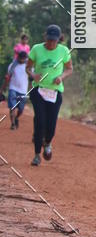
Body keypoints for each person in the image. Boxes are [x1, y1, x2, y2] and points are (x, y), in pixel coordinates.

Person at [27, 25, 73, 166]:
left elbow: (69, 68)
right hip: (39, 90)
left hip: (55, 92)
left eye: (54, 40)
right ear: (45, 37)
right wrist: (33, 75)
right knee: (40, 120)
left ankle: (47, 143)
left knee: (51, 125)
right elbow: (27, 68)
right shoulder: (36, 49)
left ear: (59, 39)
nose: (51, 43)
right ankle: (36, 155)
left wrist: (62, 76)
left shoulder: (64, 51)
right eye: (49, 40)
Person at [3, 50, 29, 129]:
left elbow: (32, 78)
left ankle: (16, 117)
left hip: (23, 90)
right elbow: (8, 77)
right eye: (20, 58)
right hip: (13, 88)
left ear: (25, 58)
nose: (21, 60)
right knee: (12, 106)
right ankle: (13, 124)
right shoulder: (12, 65)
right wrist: (3, 88)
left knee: (21, 109)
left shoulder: (28, 66)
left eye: (23, 58)